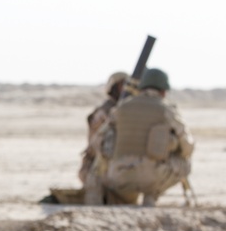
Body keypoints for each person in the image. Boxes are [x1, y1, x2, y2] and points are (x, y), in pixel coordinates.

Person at [84, 68, 195, 206]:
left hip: (117, 175)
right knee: (185, 165)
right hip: (151, 176)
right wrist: (172, 147)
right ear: (163, 90)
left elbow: (98, 141)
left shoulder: (121, 108)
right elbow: (188, 147)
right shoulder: (167, 110)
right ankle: (151, 196)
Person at [78, 71, 127, 186]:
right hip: (97, 170)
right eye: (123, 85)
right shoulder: (104, 112)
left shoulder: (122, 109)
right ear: (114, 88)